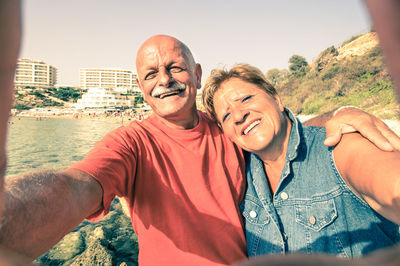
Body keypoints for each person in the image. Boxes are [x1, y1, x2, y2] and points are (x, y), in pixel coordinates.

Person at [0, 34, 399, 266]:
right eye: (151, 74)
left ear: (195, 74)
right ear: (141, 87)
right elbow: (75, 187)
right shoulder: (131, 143)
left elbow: (269, 131)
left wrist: (333, 115)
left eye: (175, 67)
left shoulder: (225, 129)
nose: (165, 80)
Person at [202, 63, 400, 260]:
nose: (238, 115)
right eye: (226, 115)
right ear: (226, 134)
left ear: (277, 100)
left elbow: (390, 183)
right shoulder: (240, 179)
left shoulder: (338, 147)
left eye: (246, 99)